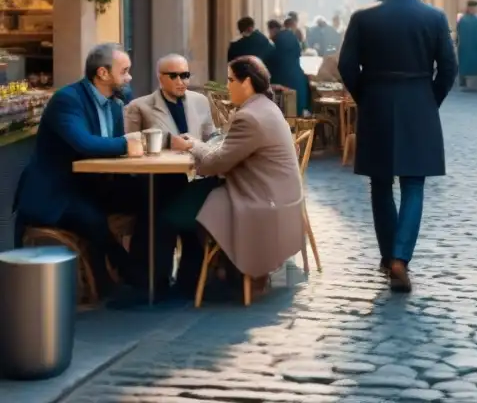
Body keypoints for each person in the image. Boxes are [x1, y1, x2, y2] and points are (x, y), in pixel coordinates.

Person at [338, 0, 457, 293]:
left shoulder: (363, 16)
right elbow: (448, 67)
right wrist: (429, 98)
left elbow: (346, 66)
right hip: (418, 100)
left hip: (376, 100)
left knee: (379, 184)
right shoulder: (434, 17)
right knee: (414, 184)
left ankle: (389, 254)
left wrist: (366, 95)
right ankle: (400, 259)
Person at [15, 43, 146, 293]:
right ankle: (122, 276)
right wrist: (126, 144)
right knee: (93, 220)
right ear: (102, 73)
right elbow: (84, 143)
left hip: (93, 184)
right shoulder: (67, 100)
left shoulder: (118, 99)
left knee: (151, 196)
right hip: (56, 192)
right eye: (125, 71)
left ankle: (148, 272)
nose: (129, 77)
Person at [168, 56, 305, 296]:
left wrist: (192, 145)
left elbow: (214, 163)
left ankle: (199, 279)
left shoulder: (249, 117)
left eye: (231, 80)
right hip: (279, 195)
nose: (227, 85)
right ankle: (220, 270)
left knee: (179, 212)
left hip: (260, 199)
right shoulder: (266, 107)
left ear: (247, 82)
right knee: (195, 201)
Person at [124, 54, 217, 290]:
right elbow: (129, 144)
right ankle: (155, 278)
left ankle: (189, 279)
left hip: (195, 176)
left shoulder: (200, 101)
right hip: (159, 178)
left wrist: (196, 145)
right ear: (160, 78)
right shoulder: (140, 106)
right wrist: (166, 141)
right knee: (154, 209)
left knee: (177, 214)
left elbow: (212, 136)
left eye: (185, 75)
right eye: (173, 75)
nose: (181, 81)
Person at [266, 19, 310, 115]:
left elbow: (271, 62)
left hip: (283, 85)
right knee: (296, 116)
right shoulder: (292, 37)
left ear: (272, 30)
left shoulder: (277, 42)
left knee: (286, 119)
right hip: (298, 82)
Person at [457, 0, 477, 88]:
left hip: (465, 46)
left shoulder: (463, 20)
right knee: (475, 64)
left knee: (464, 64)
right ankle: (476, 82)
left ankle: (463, 80)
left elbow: (459, 32)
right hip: (476, 46)